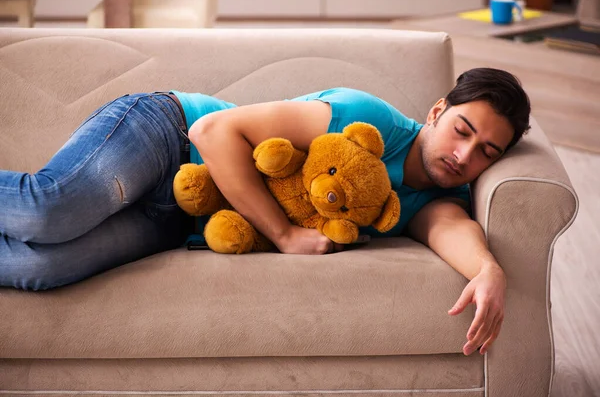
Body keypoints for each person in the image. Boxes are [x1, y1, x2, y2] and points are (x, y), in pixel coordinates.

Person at [0, 67, 531, 357]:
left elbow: (448, 228)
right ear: (438, 112)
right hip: (166, 132)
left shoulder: (439, 196)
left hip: (177, 217)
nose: (465, 156)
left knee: (38, 268)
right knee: (45, 212)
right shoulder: (371, 121)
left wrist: (489, 272)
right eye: (463, 130)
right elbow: (213, 133)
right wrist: (281, 234)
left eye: (487, 151)